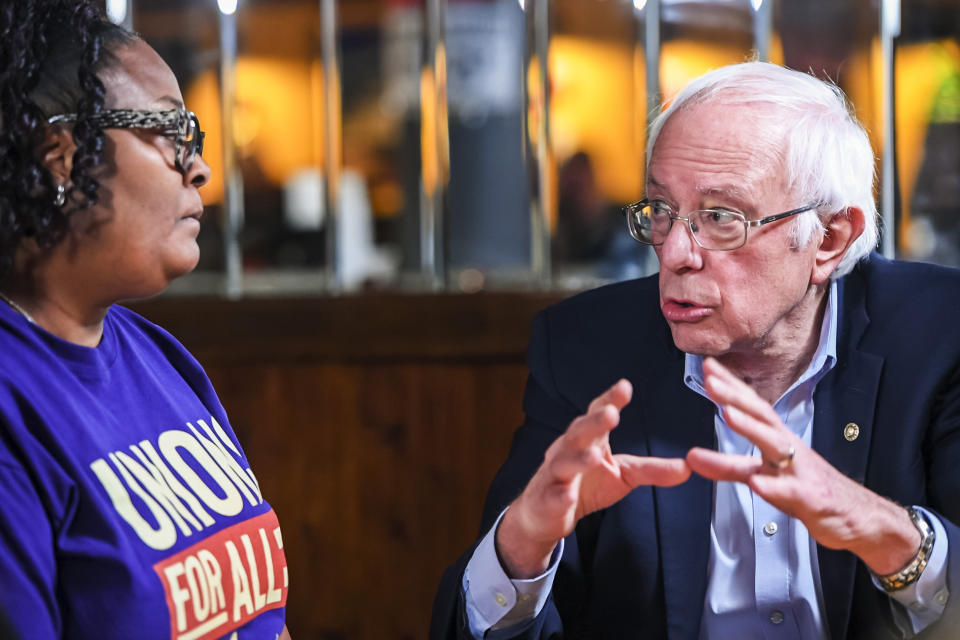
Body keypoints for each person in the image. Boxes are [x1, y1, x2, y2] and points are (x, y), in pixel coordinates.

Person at [431, 61, 960, 639]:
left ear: (829, 239)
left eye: (721, 218)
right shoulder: (587, 349)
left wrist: (885, 532)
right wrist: (522, 546)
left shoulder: (939, 335)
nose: (677, 252)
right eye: (662, 212)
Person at [0, 2, 291, 638]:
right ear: (62, 157)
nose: (200, 166)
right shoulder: (12, 402)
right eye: (170, 131)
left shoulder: (160, 359)